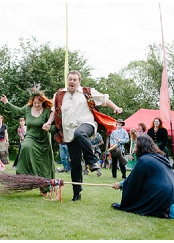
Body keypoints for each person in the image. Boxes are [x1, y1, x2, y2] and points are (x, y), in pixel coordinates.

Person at [43, 70, 124, 201]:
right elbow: (54, 111)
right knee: (74, 162)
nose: (72, 82)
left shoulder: (87, 92)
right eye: (70, 79)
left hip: (87, 125)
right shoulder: (59, 94)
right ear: (67, 80)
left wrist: (116, 107)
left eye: (75, 79)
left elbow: (104, 99)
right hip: (69, 132)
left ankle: (92, 161)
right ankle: (77, 192)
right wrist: (48, 122)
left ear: (79, 81)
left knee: (80, 133)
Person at [111, 135, 174, 219]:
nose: (134, 149)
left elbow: (134, 181)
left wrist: (122, 185)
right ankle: (173, 207)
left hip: (162, 193)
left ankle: (170, 211)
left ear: (141, 146)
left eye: (135, 146)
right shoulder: (159, 157)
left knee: (141, 207)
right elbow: (136, 178)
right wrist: (122, 184)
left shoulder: (144, 159)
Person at [1, 93, 55, 195]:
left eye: (39, 103)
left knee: (43, 166)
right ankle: (22, 177)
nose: (37, 105)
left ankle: (44, 188)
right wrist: (7, 103)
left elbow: (55, 127)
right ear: (32, 102)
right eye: (35, 103)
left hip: (43, 142)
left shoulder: (47, 111)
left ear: (43, 102)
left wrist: (49, 127)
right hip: (30, 137)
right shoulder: (28, 108)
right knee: (26, 146)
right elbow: (18, 111)